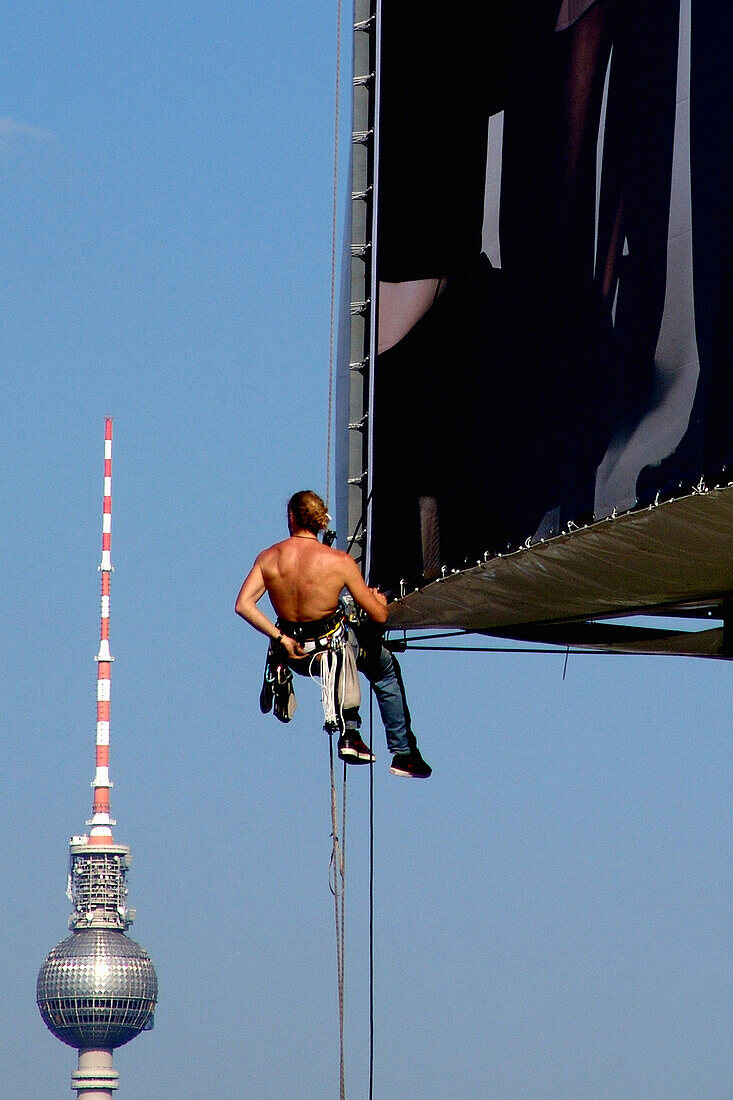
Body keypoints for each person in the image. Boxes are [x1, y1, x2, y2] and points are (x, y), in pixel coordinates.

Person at [235, 490, 431, 778]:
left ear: (291, 517)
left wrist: (282, 639)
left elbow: (243, 605)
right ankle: (399, 752)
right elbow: (380, 615)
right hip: (333, 652)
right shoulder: (339, 562)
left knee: (344, 644)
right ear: (320, 521)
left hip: (296, 655)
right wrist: (377, 599)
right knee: (385, 667)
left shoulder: (269, 558)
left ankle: (352, 731)